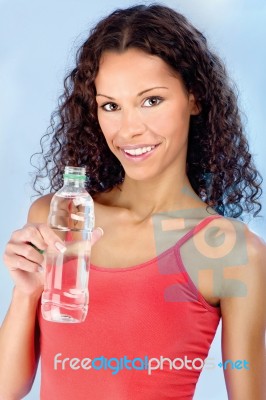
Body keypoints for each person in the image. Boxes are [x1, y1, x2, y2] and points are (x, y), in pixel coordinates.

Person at [0, 3, 265, 399]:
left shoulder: (232, 252)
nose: (130, 129)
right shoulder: (60, 218)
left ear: (195, 97)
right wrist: (27, 292)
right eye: (111, 106)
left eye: (151, 101)